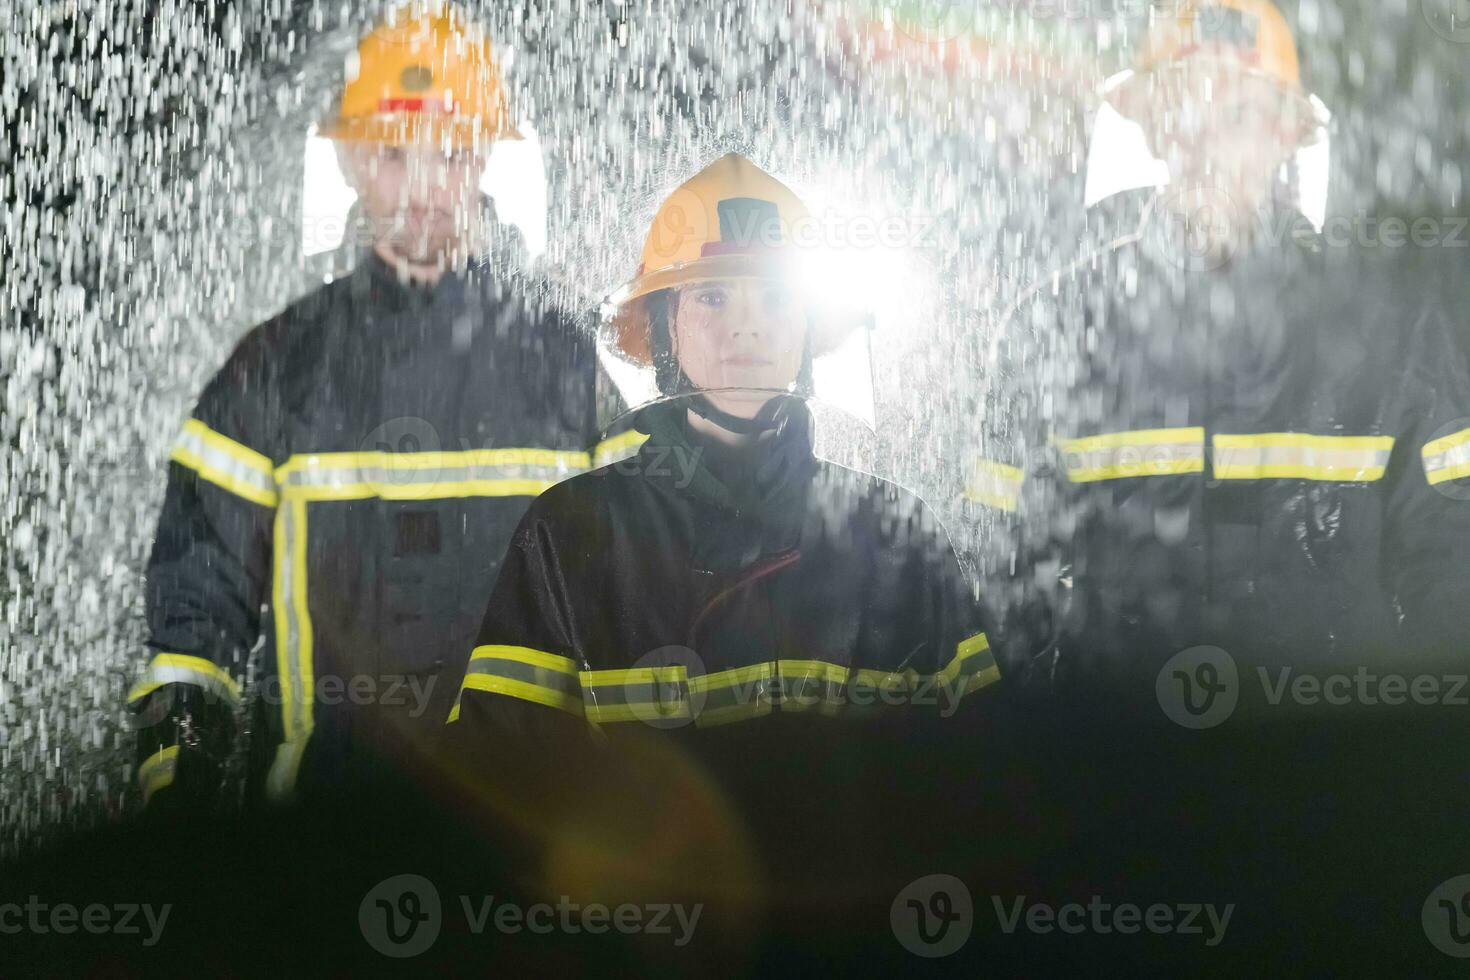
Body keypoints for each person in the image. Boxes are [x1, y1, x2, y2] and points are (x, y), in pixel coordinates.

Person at [443, 154, 1005, 916]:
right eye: (712, 296)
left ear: (807, 328)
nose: (746, 325)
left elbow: (985, 795)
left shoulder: (895, 536)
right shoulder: (570, 533)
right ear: (664, 327)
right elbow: (493, 794)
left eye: (774, 297)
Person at [130, 9, 637, 809]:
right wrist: (174, 790)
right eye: (394, 156)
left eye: (451, 153)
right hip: (322, 851)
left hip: (529, 859)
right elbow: (195, 618)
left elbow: (632, 599)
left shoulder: (564, 361)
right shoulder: (274, 366)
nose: (425, 186)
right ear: (354, 164)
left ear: (481, 163)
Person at [960, 0, 1470, 709]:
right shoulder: (1054, 323)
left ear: (1286, 135)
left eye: (1238, 115)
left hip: (1327, 787)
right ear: (1155, 130)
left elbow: (1451, 579)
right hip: (1117, 783)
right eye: (1186, 109)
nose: (1207, 141)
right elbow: (992, 572)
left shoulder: (1392, 329)